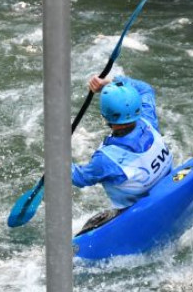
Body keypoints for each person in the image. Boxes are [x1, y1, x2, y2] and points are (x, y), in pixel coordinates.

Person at [72, 74, 172, 231]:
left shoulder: (106, 159)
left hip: (135, 216)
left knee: (88, 227)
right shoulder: (147, 118)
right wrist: (109, 83)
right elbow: (145, 89)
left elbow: (79, 178)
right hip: (167, 193)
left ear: (105, 116)